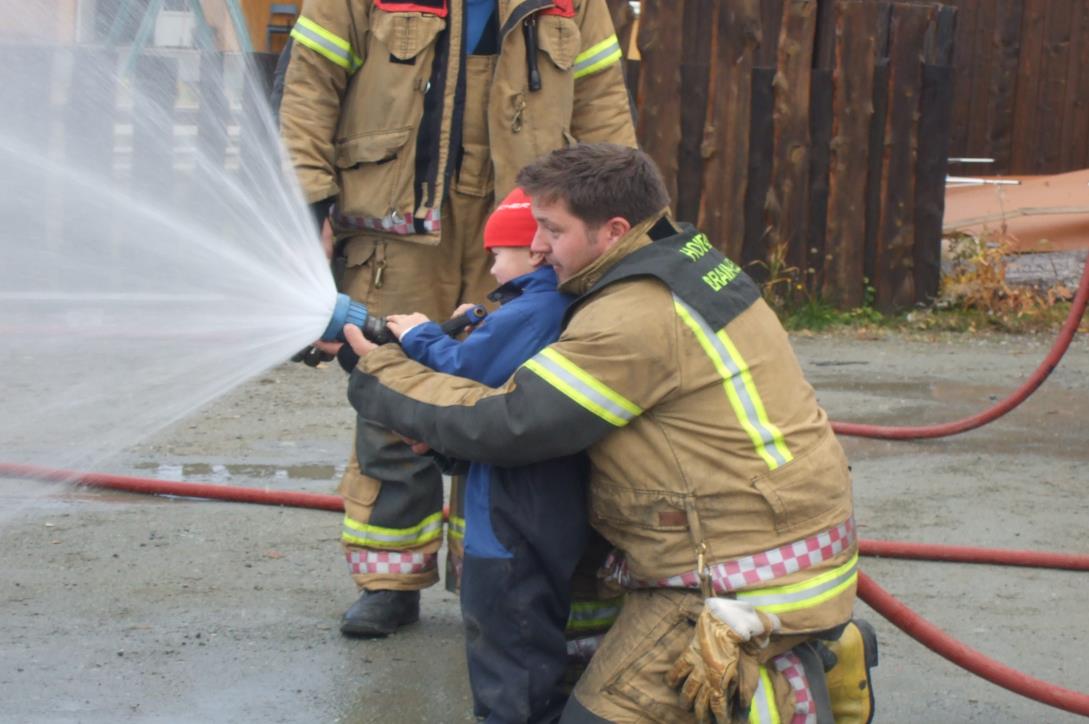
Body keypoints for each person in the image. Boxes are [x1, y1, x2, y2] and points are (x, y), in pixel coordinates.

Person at [342, 143, 875, 723]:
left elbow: (510, 424)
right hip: (781, 536)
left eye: (551, 229)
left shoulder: (634, 315)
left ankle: (779, 680)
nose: (537, 248)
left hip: (733, 579)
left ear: (614, 228)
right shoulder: (680, 255)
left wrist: (382, 372)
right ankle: (818, 648)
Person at [279, 0, 636, 635]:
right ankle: (390, 578)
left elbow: (603, 105)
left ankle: (495, 582)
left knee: (512, 402)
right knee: (392, 392)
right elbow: (309, 87)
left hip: (526, 232)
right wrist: (309, 207)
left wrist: (620, 222)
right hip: (395, 226)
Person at [383, 186, 590, 722]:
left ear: (533, 250)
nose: (493, 270)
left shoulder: (532, 309)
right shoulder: (552, 305)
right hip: (542, 514)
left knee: (508, 655)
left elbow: (465, 371)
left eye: (497, 254)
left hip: (507, 524)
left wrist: (418, 337)